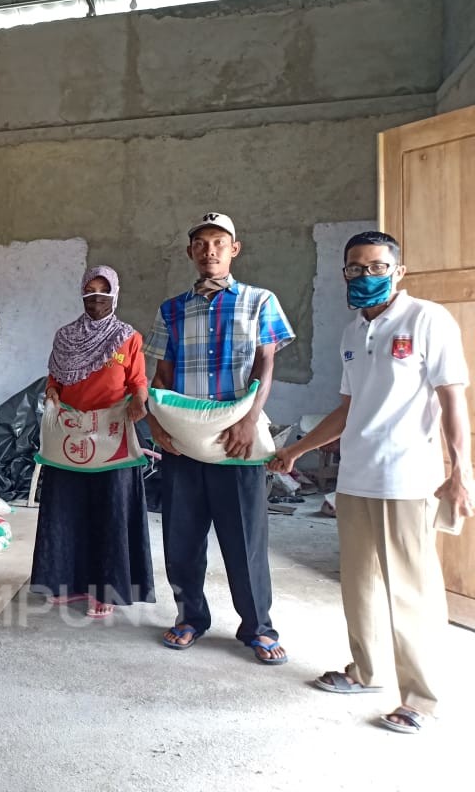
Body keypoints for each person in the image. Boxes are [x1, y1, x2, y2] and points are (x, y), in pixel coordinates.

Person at [270, 230, 472, 733]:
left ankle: (421, 699)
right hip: (356, 477)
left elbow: (452, 400)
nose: (366, 276)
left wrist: (460, 472)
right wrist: (295, 450)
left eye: (377, 266)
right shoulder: (350, 332)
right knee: (359, 584)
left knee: (411, 591)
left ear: (398, 271)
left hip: (408, 478)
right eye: (356, 267)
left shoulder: (427, 319)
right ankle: (366, 671)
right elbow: (348, 410)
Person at [144, 212, 294, 664]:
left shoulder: (259, 301)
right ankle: (191, 618)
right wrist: (156, 423)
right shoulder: (171, 309)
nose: (210, 251)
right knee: (182, 538)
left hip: (238, 443)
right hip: (186, 444)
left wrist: (250, 419)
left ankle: (258, 628)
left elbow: (265, 366)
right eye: (201, 243)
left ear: (235, 249)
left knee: (243, 541)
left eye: (219, 242)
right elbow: (162, 375)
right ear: (190, 252)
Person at [30, 265, 155, 618]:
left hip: (111, 433)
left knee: (110, 509)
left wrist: (140, 401)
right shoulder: (65, 336)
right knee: (67, 508)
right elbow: (54, 378)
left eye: (103, 291)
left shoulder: (128, 337)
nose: (96, 298)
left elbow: (137, 381)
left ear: (114, 294)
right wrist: (52, 394)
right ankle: (66, 585)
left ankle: (106, 591)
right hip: (70, 434)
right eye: (90, 291)